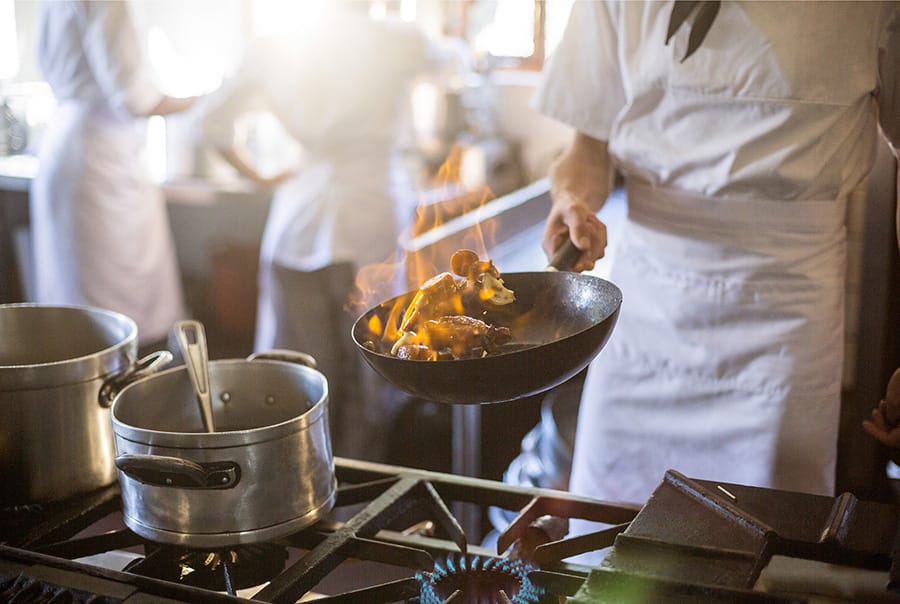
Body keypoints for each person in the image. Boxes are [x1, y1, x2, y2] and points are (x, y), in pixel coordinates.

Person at [533, 0, 900, 505]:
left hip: (787, 311)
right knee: (611, 525)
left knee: (767, 527)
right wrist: (570, 200)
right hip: (645, 304)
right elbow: (586, 150)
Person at [200, 2, 464, 458]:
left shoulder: (274, 46)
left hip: (297, 217)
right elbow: (456, 60)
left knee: (298, 375)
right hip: (369, 215)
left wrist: (259, 176)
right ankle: (359, 481)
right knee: (371, 370)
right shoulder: (395, 39)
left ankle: (296, 479)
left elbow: (210, 122)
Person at [30, 0, 198, 350]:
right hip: (101, 159)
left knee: (76, 303)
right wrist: (206, 99)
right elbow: (134, 96)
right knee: (117, 313)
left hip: (66, 147)